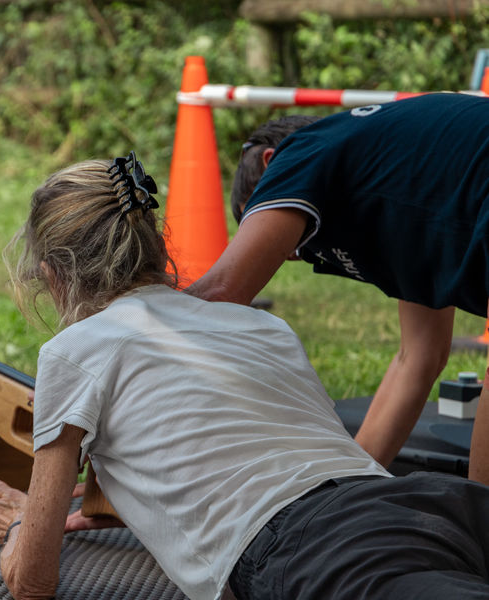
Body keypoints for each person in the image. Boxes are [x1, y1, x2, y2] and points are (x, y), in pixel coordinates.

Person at [0, 152, 489, 600]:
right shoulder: (259, 323)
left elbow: (32, 582)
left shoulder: (73, 351)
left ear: (53, 275)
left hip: (312, 545)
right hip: (426, 503)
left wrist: (23, 523)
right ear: (157, 249)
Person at [185, 92, 489, 484]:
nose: (288, 256)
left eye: (258, 221)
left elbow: (218, 295)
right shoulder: (403, 179)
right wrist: (348, 491)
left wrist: (123, 320)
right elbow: (418, 358)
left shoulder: (302, 151)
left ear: (271, 164)